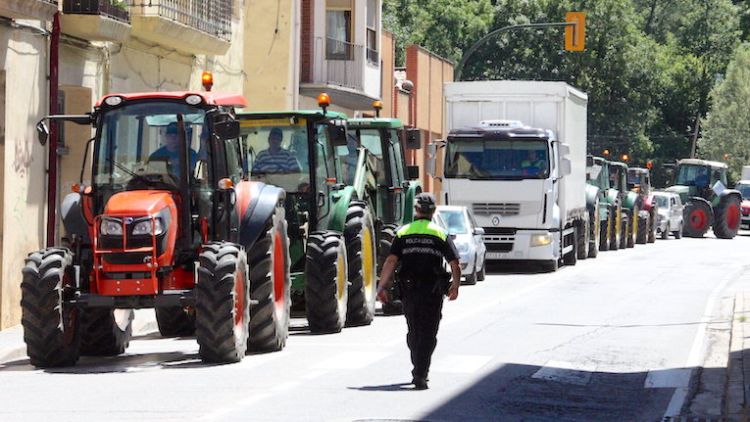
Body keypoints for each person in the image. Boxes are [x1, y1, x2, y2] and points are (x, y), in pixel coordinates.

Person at [377, 193, 461, 390]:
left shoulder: (403, 232)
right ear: (433, 212)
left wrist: (381, 286)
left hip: (409, 291)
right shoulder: (440, 233)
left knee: (414, 331)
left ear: (416, 210)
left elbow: (391, 261)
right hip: (432, 292)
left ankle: (418, 367)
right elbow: (455, 264)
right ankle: (421, 372)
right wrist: (455, 285)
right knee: (429, 332)